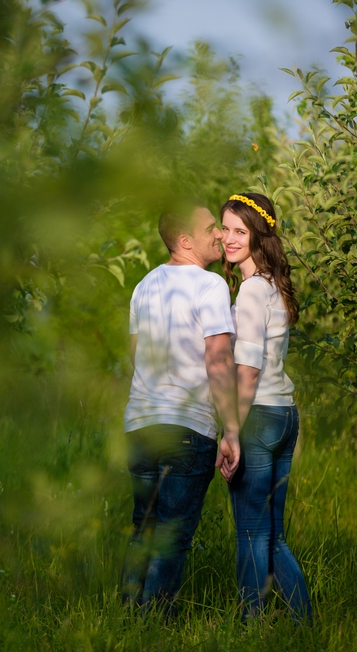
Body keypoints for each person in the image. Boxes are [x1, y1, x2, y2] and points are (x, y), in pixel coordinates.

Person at [121, 201, 241, 615]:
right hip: (187, 427)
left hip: (140, 424)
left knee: (144, 528)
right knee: (171, 535)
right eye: (211, 228)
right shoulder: (210, 286)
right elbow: (219, 360)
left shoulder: (142, 286)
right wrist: (231, 430)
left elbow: (135, 357)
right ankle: (151, 628)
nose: (220, 235)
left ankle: (126, 622)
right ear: (185, 240)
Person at [219, 192, 312, 621]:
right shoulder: (274, 286)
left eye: (241, 231)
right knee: (272, 535)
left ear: (259, 236)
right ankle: (305, 623)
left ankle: (248, 627)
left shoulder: (253, 292)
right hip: (284, 414)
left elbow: (249, 369)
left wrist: (232, 430)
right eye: (225, 229)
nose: (229, 238)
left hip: (258, 416)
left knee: (252, 533)